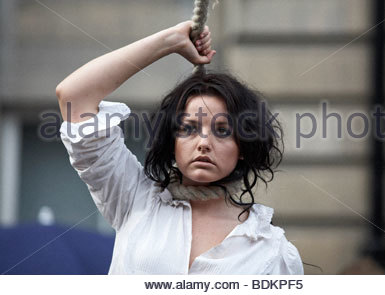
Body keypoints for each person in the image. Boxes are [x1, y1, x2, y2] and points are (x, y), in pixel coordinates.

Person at [56, 20, 304, 274]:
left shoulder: (270, 249)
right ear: (172, 141)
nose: (204, 143)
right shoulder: (133, 197)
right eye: (188, 128)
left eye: (222, 131)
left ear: (242, 147)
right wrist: (170, 41)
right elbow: (74, 95)